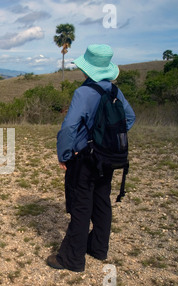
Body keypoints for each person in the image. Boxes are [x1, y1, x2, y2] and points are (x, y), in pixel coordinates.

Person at [47, 44, 136, 272]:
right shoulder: (115, 92)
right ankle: (98, 248)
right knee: (102, 200)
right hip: (107, 158)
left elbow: (69, 128)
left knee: (81, 206)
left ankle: (71, 259)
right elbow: (129, 118)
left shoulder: (83, 92)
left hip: (84, 158)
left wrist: (65, 154)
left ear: (87, 68)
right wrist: (107, 141)